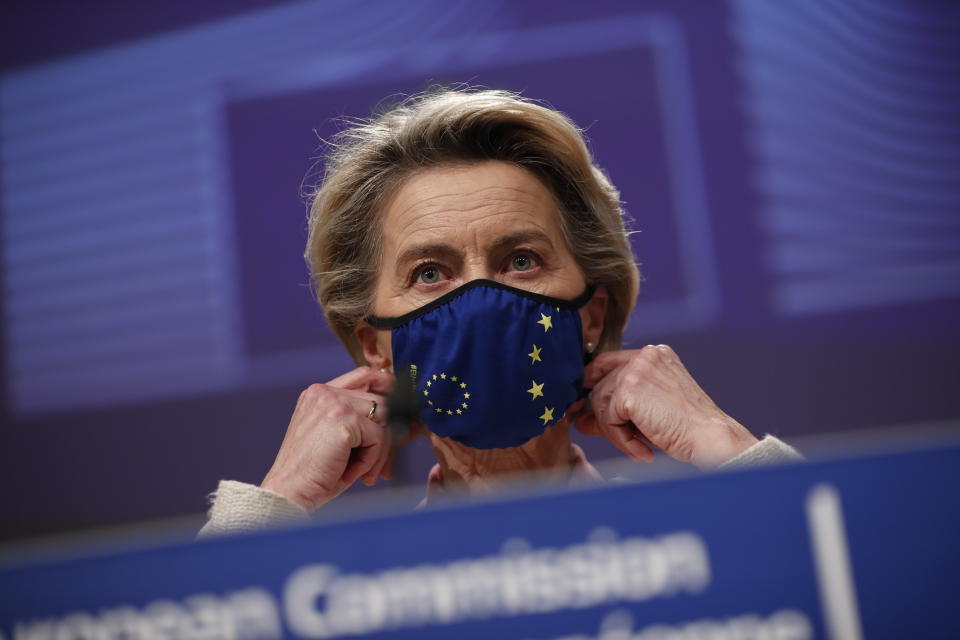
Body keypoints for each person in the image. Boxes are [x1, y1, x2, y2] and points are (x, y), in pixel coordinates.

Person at [199, 89, 800, 537]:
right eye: (430, 274)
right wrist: (274, 506)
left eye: (521, 260)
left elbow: (870, 590)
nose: (483, 301)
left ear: (590, 318)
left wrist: (725, 447)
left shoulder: (693, 553)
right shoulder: (339, 599)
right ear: (377, 346)